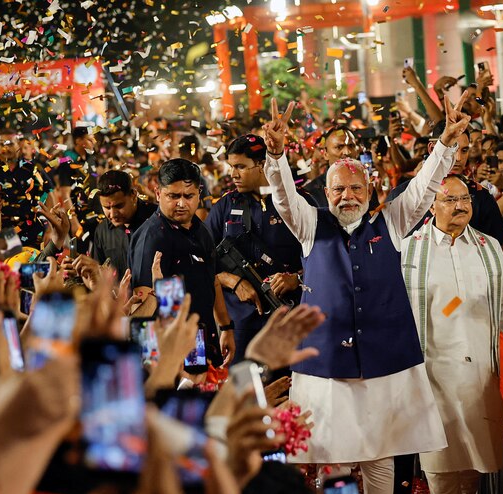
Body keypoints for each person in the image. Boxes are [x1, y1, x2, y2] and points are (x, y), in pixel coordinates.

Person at [261, 92, 472, 494]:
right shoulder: (309, 226)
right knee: (333, 457)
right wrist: (276, 158)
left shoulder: (391, 221)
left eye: (356, 188)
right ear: (325, 193)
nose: (348, 197)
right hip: (327, 365)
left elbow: (425, 188)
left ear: (370, 189)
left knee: (381, 456)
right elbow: (285, 198)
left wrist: (445, 145)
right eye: (339, 190)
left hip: (385, 362)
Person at [401, 173, 503, 494]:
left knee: (477, 449)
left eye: (465, 200)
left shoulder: (490, 248)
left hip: (480, 366)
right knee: (439, 453)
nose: (460, 207)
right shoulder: (410, 250)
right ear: (432, 206)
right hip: (432, 367)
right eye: (450, 200)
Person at [206, 134, 305, 363]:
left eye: (240, 167)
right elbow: (200, 261)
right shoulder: (224, 207)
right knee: (245, 393)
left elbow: (322, 258)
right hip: (240, 325)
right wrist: (232, 280)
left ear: (262, 165)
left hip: (288, 320)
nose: (233, 174)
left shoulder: (295, 203)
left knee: (291, 393)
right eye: (231, 167)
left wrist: (296, 279)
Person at [129, 158, 235, 369]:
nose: (181, 203)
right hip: (170, 353)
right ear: (158, 193)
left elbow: (212, 280)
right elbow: (141, 309)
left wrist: (226, 327)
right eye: (173, 196)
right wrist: (153, 368)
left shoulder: (200, 229)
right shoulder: (152, 238)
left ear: (199, 194)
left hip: (201, 340)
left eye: (189, 196)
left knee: (207, 396)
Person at [303, 126, 359, 207]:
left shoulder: (367, 187)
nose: (347, 152)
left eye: (351, 146)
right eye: (339, 147)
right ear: (326, 153)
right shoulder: (311, 192)